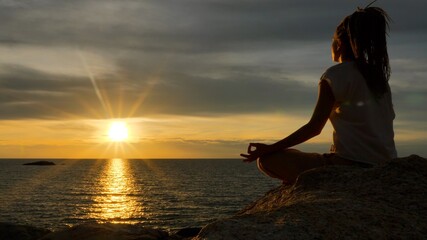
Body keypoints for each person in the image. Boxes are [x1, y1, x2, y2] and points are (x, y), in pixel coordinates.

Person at [240, 5, 397, 184]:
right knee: (296, 156)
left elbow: (314, 128)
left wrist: (269, 148)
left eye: (332, 39)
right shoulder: (378, 78)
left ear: (338, 44)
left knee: (267, 160)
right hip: (385, 164)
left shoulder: (334, 76)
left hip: (348, 165)